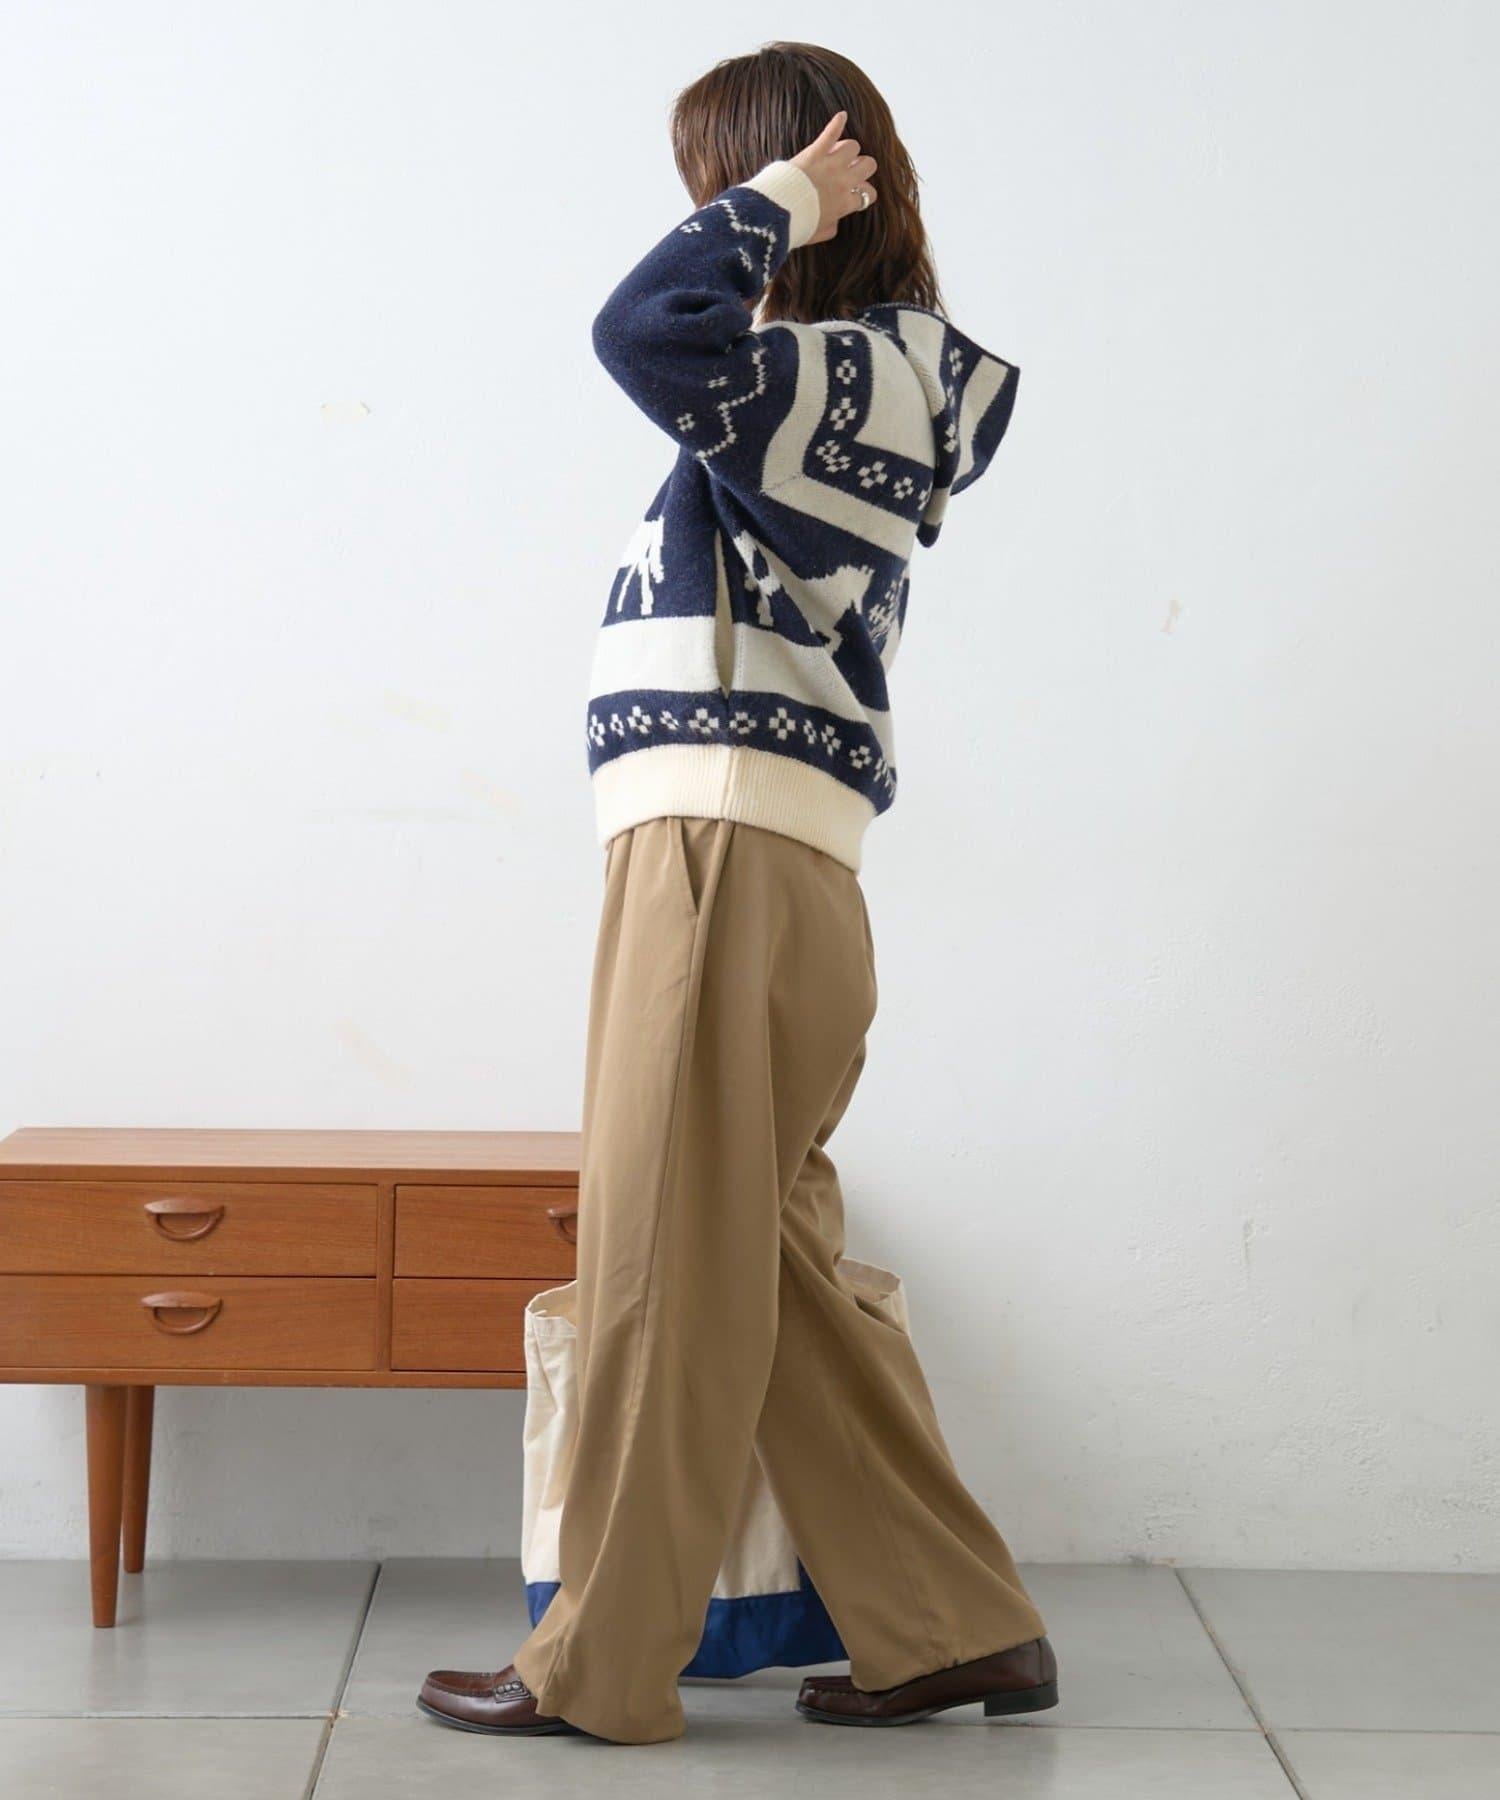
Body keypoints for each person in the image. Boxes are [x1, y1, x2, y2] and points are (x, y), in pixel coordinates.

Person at [417, 41, 1055, 1745]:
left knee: (659, 1253)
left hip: (720, 855)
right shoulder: (842, 380)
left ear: (807, 177)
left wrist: (778, 200)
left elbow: (642, 327)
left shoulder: (829, 371)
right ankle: (956, 1624)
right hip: (760, 861)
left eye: (719, 178)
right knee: (752, 1257)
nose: (705, 212)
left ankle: (598, 1664)